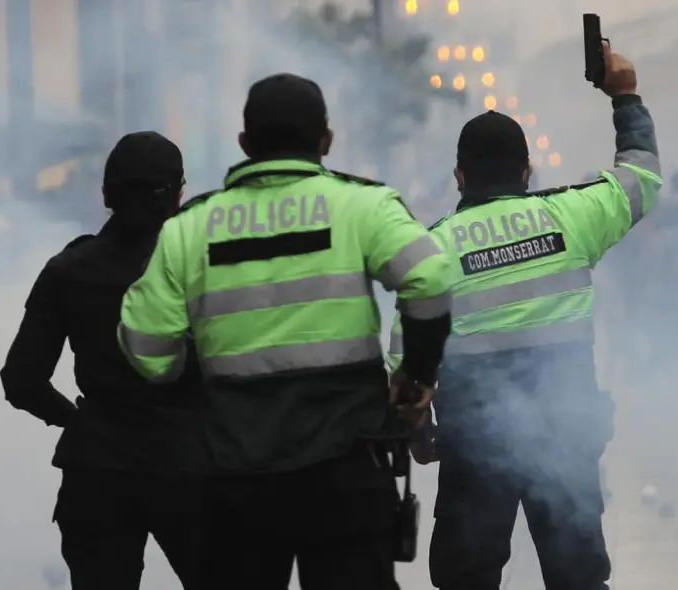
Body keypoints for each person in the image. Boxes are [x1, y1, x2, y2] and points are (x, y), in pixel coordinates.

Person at [117, 73, 454, 590]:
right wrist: (417, 376)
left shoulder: (189, 228)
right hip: (346, 466)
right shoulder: (362, 205)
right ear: (326, 140)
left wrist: (187, 375)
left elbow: (146, 347)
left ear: (246, 144)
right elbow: (429, 278)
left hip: (235, 478)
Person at [388, 43, 661, 590]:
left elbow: (407, 375)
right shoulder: (572, 216)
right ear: (527, 169)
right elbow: (642, 179)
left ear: (460, 176)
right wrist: (625, 96)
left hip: (472, 452)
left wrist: (416, 438)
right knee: (577, 578)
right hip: (564, 439)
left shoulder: (431, 253)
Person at [0, 131, 205, 590]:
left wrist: (77, 422)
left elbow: (21, 381)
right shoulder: (200, 267)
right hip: (190, 466)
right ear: (175, 196)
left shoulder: (67, 270)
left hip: (97, 470)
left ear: (106, 194)